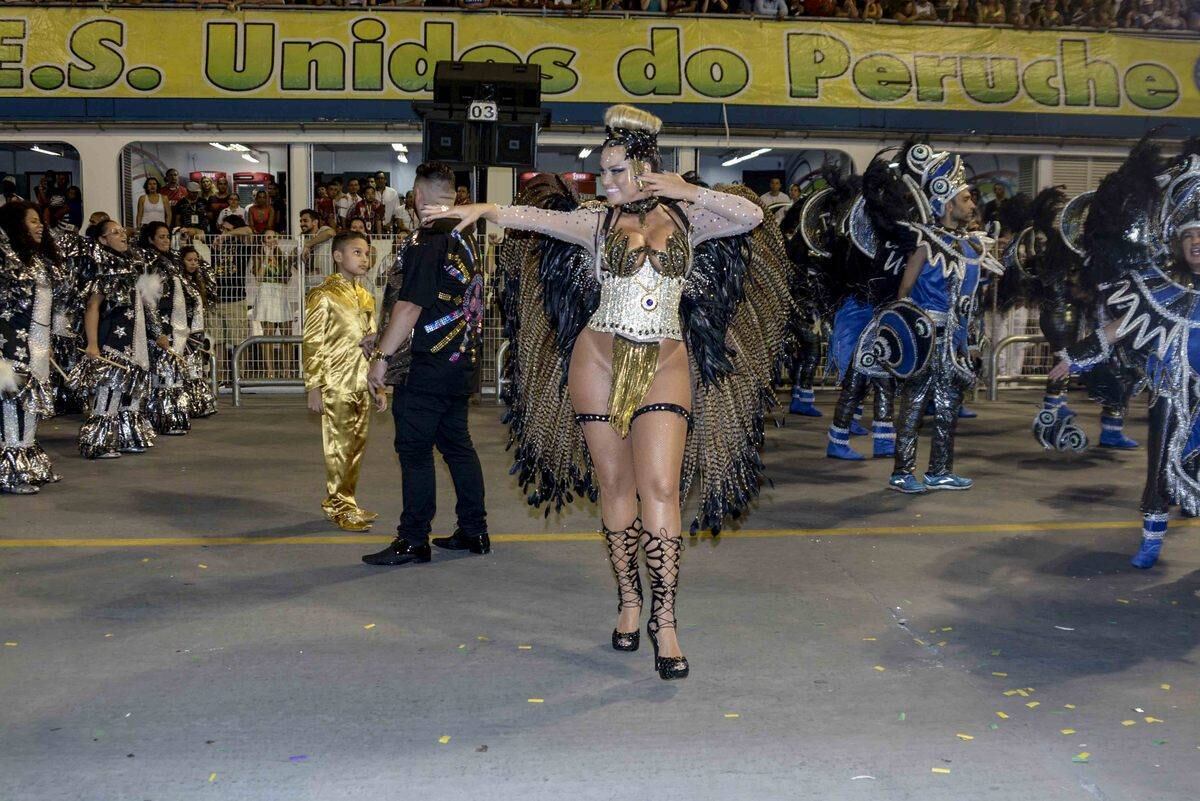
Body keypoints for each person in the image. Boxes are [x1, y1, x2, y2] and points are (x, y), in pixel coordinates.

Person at [425, 105, 793, 681]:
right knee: (615, 485)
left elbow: (749, 217)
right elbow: (534, 219)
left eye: (618, 171)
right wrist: (484, 208)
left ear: (646, 168)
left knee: (662, 486)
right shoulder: (596, 221)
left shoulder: (693, 219)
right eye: (604, 173)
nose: (607, 183)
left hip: (666, 358)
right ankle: (628, 600)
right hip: (597, 358)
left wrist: (685, 191)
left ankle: (665, 620)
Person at [1047, 139, 1200, 568]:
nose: (1196, 243)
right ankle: (1151, 540)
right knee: (1158, 468)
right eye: (1188, 236)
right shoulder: (1162, 292)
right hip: (1172, 394)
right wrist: (1078, 356)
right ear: (1176, 242)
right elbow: (1119, 326)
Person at [360, 161, 491, 567]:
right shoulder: (467, 236)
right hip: (460, 363)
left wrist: (381, 358)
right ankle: (474, 530)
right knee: (457, 446)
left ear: (417, 196)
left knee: (414, 451)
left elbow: (411, 305)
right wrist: (384, 337)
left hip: (427, 365)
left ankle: (413, 538)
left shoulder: (427, 238)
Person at [862, 144, 999, 493]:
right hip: (925, 338)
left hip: (952, 342)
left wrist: (966, 341)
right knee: (913, 407)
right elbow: (904, 292)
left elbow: (969, 301)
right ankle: (902, 473)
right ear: (947, 203)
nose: (972, 206)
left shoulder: (971, 247)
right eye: (966, 199)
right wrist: (912, 333)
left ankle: (940, 471)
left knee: (948, 407)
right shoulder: (926, 243)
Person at [303, 231, 383, 532]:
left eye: (366, 253)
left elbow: (374, 344)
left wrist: (378, 385)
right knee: (338, 447)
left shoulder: (366, 296)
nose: (364, 258)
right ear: (338, 256)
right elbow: (312, 343)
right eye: (357, 252)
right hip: (336, 382)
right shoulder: (323, 294)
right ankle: (341, 507)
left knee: (355, 447)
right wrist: (314, 385)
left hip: (362, 382)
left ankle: (344, 500)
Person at [72, 219, 166, 458]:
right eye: (115, 232)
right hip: (113, 339)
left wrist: (155, 334)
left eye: (123, 231)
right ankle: (98, 443)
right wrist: (92, 344)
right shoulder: (104, 268)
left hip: (135, 341)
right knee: (110, 391)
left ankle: (126, 436)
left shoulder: (133, 265)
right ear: (103, 240)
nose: (122, 235)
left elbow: (146, 307)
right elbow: (92, 307)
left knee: (131, 392)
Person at [0, 201, 68, 493]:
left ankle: (27, 459)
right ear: (16, 226)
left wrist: (48, 341)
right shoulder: (6, 260)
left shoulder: (39, 260)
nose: (40, 226)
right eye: (32, 221)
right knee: (13, 403)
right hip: (12, 340)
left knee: (31, 404)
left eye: (40, 221)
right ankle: (13, 470)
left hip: (38, 344)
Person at [138, 221, 191, 436]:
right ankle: (161, 420)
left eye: (168, 236)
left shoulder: (171, 261)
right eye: (161, 236)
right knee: (163, 373)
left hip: (176, 324)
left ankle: (172, 418)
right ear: (150, 239)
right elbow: (149, 301)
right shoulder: (150, 262)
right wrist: (157, 331)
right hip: (162, 326)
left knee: (173, 373)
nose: (166, 240)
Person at [208, 215, 255, 382]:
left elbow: (249, 230)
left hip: (235, 299)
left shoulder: (243, 244)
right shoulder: (216, 244)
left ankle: (237, 378)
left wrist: (227, 235)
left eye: (229, 229)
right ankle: (219, 378)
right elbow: (197, 232)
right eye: (223, 229)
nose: (224, 232)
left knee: (238, 341)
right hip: (216, 299)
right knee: (217, 342)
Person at [178, 245, 218, 418]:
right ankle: (185, 404)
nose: (194, 264)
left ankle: (198, 403)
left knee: (196, 367)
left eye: (196, 260)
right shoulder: (178, 282)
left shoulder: (199, 281)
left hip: (197, 330)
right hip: (183, 331)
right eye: (189, 260)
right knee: (186, 367)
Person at [252, 230, 298, 377]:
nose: (271, 240)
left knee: (287, 332)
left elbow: (286, 279)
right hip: (266, 292)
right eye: (268, 238)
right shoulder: (259, 255)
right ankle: (270, 370)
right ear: (264, 241)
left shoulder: (282, 256)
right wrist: (267, 257)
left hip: (280, 293)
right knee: (268, 333)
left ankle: (287, 370)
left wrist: (285, 261)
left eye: (273, 237)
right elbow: (258, 278)